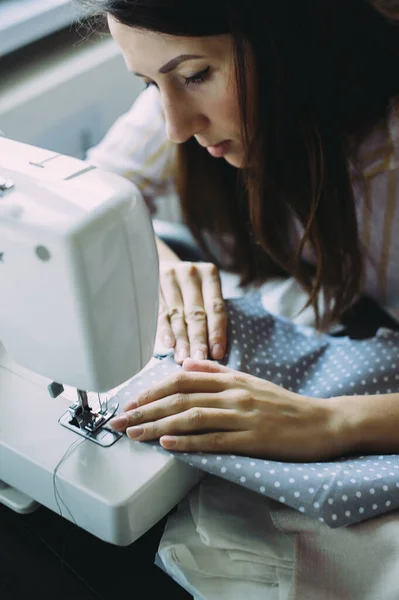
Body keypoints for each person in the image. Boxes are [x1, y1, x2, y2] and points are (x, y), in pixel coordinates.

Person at [78, 0, 399, 463]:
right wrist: (164, 268)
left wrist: (332, 422)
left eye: (195, 76)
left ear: (289, 39)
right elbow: (94, 196)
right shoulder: (179, 94)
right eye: (151, 84)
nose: (175, 127)